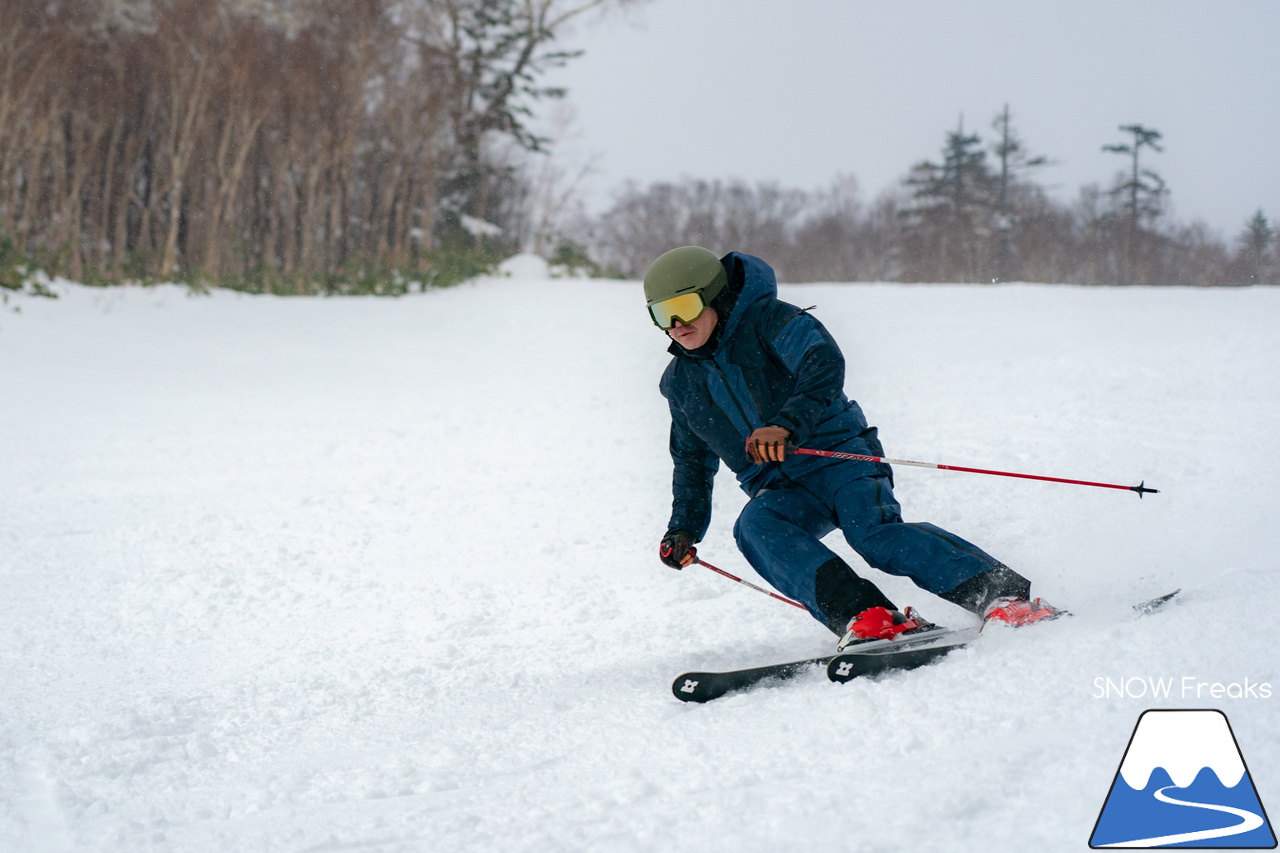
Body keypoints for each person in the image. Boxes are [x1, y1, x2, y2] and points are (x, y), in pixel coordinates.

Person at [646, 246, 1060, 650]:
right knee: (756, 528)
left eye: (686, 305)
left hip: (839, 457)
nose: (677, 324)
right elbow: (691, 461)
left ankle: (1003, 596)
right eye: (663, 313)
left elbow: (822, 363)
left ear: (715, 296)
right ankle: (871, 617)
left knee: (873, 535)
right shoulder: (680, 383)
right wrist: (683, 528)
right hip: (781, 488)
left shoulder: (769, 321)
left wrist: (785, 425)